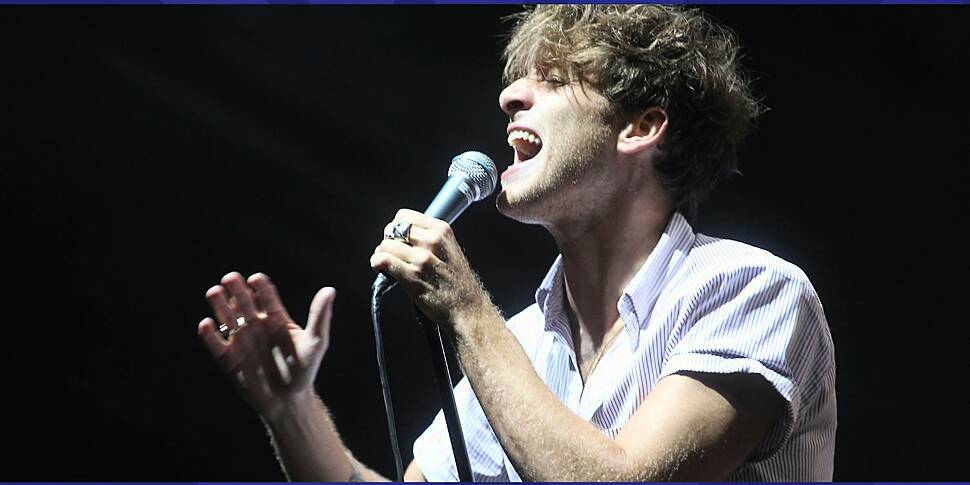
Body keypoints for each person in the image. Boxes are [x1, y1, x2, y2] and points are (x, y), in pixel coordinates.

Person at [197, 5, 836, 482]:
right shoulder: (525, 342)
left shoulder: (749, 289)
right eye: (516, 84)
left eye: (553, 81)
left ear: (640, 128)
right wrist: (291, 409)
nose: (507, 98)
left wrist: (467, 311)